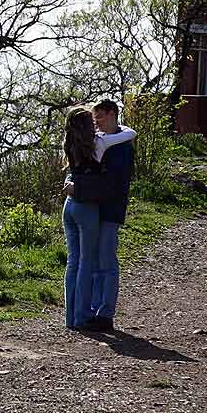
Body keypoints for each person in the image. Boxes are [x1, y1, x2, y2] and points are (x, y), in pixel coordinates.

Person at [61, 105, 136, 330]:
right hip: (88, 209)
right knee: (88, 263)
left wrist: (74, 186)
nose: (97, 123)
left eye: (100, 118)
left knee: (74, 262)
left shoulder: (69, 143)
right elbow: (130, 133)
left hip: (71, 206)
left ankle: (73, 317)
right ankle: (85, 316)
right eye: (93, 120)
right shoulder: (100, 143)